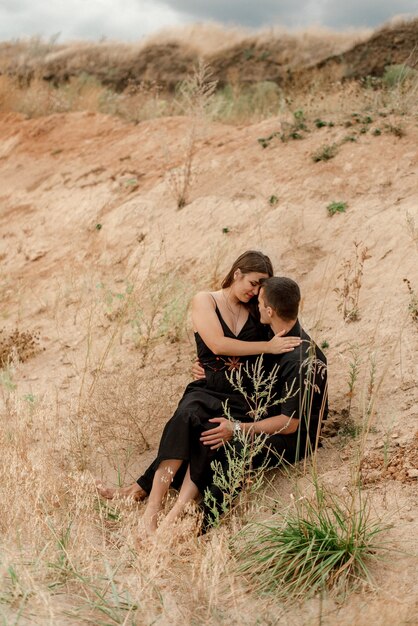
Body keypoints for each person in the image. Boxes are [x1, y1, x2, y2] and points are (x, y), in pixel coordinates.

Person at [96, 251, 301, 533]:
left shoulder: (257, 309)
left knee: (207, 433)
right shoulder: (205, 300)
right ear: (237, 272)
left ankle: (150, 497)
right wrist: (261, 349)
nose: (255, 292)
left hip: (240, 395)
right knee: (186, 417)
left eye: (261, 287)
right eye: (253, 283)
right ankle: (151, 509)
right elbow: (217, 344)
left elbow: (280, 327)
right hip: (206, 387)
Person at [198, 276, 328, 525]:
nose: (255, 306)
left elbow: (290, 424)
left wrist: (236, 429)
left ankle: (204, 521)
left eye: (259, 302)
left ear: (269, 310)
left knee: (237, 448)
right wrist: (209, 371)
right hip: (271, 414)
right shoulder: (278, 336)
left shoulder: (300, 359)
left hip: (296, 438)